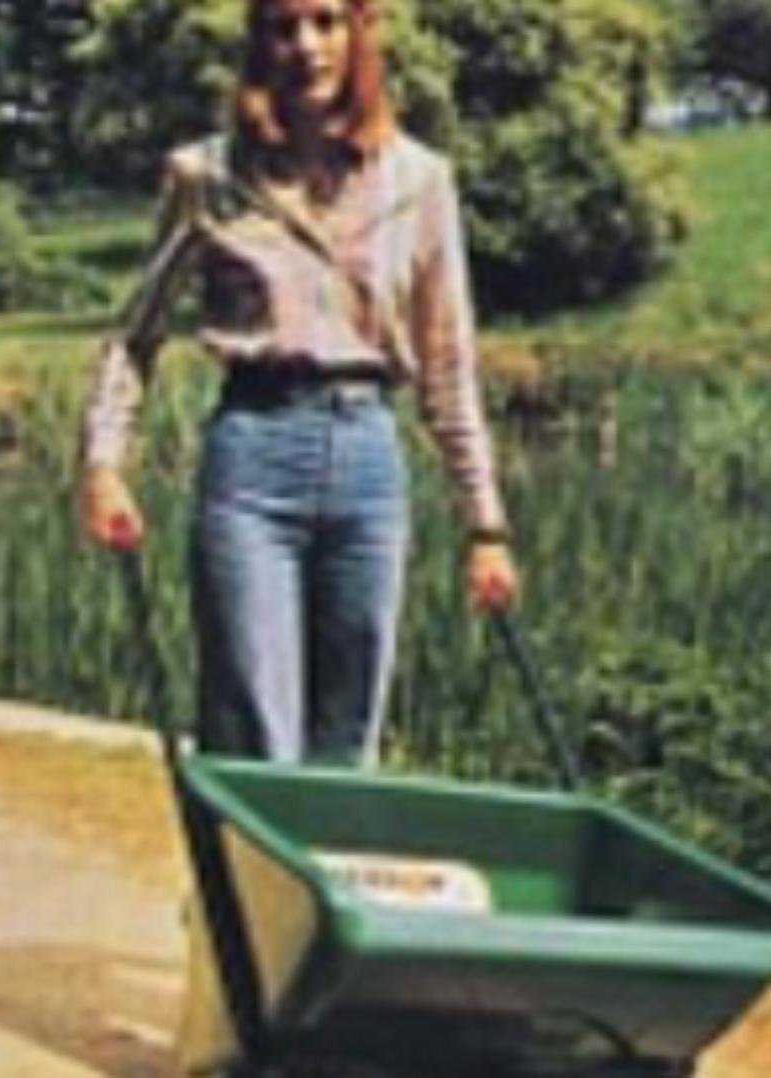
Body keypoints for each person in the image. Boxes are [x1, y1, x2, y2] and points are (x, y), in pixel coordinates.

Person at [79, 0, 519, 769]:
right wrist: (103, 464)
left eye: (325, 22)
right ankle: (244, 888)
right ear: (259, 43)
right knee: (254, 730)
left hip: (368, 463)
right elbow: (134, 334)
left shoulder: (419, 182)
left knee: (349, 736)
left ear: (359, 33)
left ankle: (323, 891)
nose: (305, 46)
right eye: (283, 27)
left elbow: (448, 366)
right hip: (252, 455)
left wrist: (484, 526)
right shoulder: (207, 175)